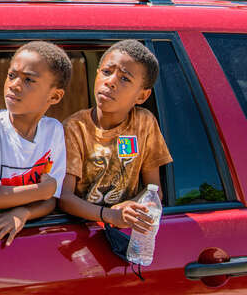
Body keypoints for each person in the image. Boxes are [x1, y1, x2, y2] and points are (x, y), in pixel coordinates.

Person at [58, 40, 173, 233]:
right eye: (106, 72)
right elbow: (64, 198)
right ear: (97, 75)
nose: (110, 81)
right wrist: (110, 215)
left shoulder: (144, 123)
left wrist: (130, 209)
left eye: (125, 79)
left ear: (142, 97)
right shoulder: (74, 127)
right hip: (85, 230)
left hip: (125, 231)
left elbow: (154, 190)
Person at [0, 41, 72, 246]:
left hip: (27, 239)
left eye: (28, 80)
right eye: (11, 75)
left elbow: (51, 200)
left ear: (55, 96)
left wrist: (23, 213)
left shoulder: (53, 130)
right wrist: (42, 190)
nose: (14, 85)